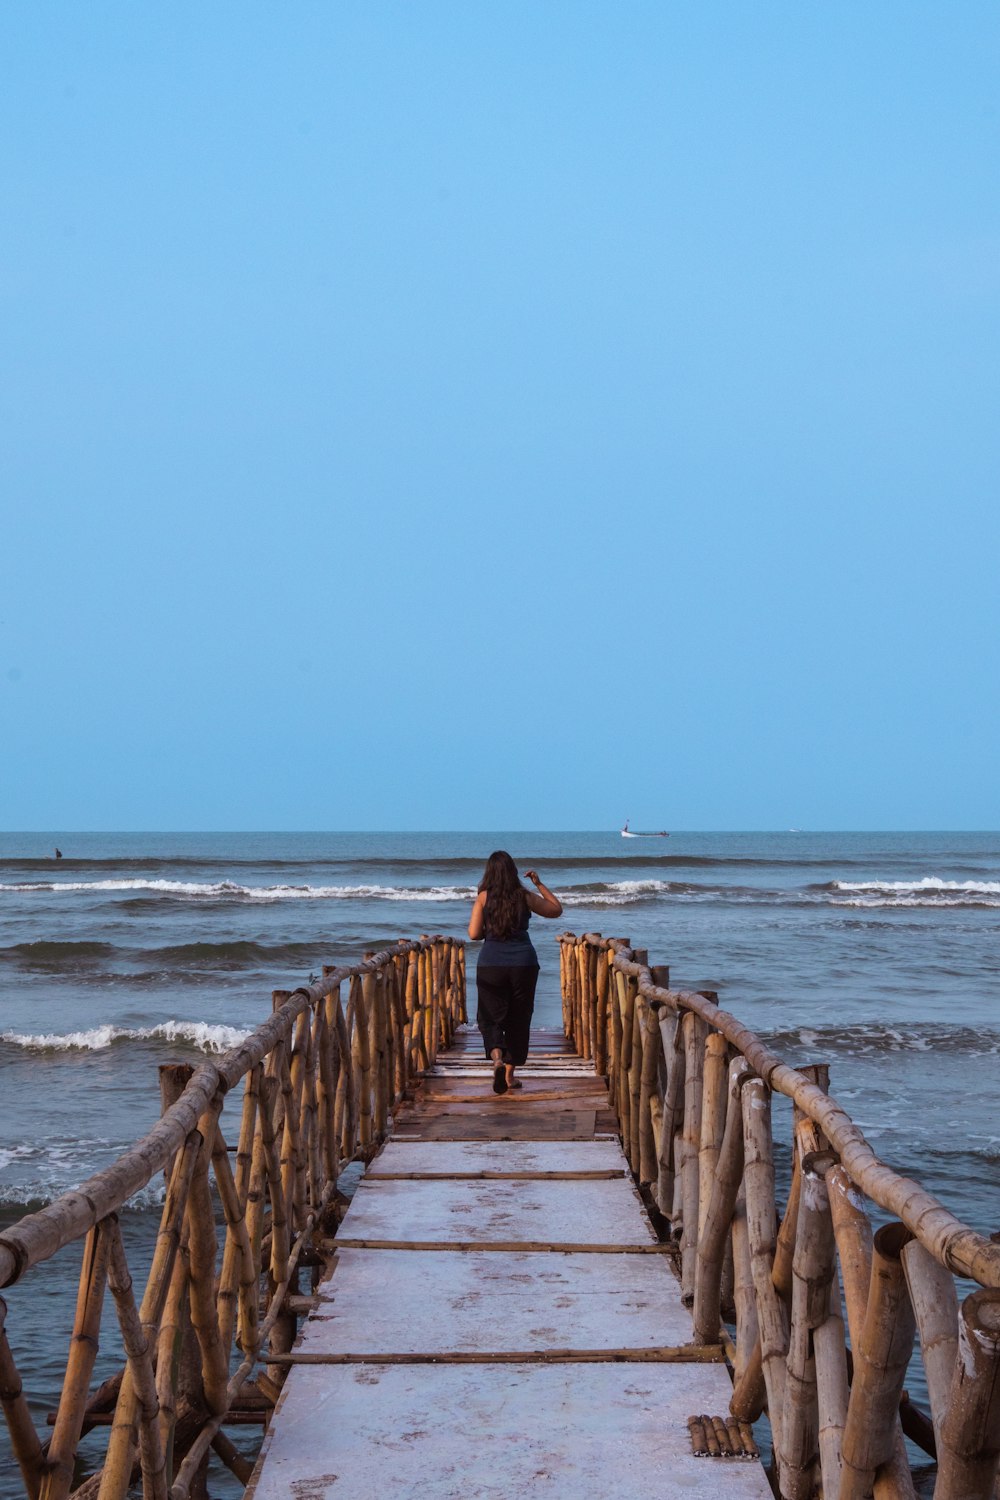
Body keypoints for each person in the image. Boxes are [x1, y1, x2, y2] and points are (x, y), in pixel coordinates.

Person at [467, 851, 563, 1095]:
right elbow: (555, 910)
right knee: (519, 1017)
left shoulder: (483, 897)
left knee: (490, 1016)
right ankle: (509, 1076)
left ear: (489, 872)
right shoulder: (524, 896)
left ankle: (497, 1058)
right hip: (523, 963)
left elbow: (473, 934)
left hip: (491, 964)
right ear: (512, 871)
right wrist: (538, 883)